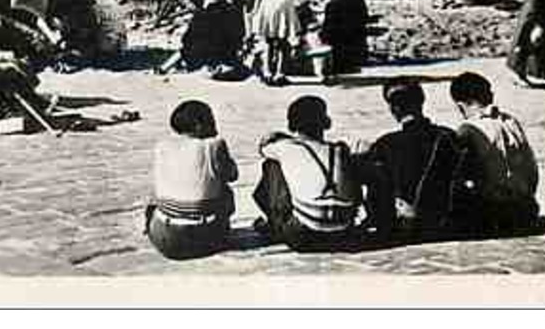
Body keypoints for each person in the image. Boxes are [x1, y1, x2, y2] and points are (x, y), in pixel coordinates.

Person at [253, 95, 366, 251]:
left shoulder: (285, 148)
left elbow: (263, 148)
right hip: (344, 232)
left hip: (303, 235)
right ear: (326, 122)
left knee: (271, 165)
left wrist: (278, 137)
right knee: (348, 163)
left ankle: (276, 224)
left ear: (292, 125)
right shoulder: (340, 149)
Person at [364, 80, 461, 237]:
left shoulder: (386, 144)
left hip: (402, 224)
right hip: (443, 219)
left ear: (393, 108)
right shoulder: (448, 136)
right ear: (422, 101)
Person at [144, 100, 238, 259]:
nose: (215, 125)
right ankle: (214, 230)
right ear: (199, 125)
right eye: (211, 120)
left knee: (161, 189)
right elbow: (232, 175)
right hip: (202, 240)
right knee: (225, 190)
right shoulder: (214, 145)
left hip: (163, 240)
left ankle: (158, 224)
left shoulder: (162, 146)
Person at [448, 71, 539, 235]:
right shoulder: (510, 121)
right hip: (527, 208)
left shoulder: (468, 130)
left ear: (460, 105)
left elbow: (462, 175)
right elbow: (531, 168)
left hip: (496, 213)